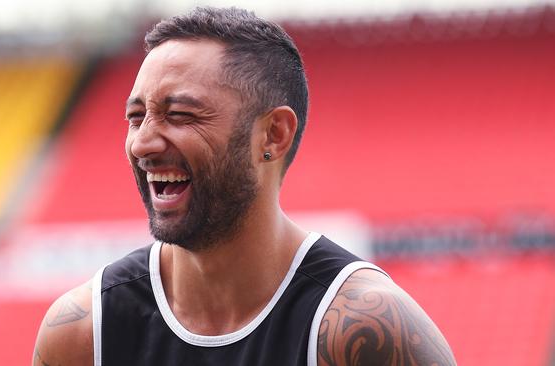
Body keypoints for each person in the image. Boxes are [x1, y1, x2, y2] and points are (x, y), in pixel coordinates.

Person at [33, 6, 456, 366]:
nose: (143, 142)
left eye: (180, 114)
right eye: (136, 116)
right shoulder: (86, 333)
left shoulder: (360, 331)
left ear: (273, 135)